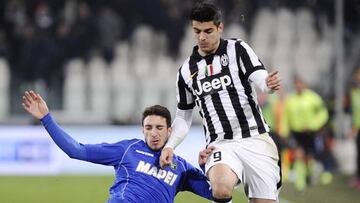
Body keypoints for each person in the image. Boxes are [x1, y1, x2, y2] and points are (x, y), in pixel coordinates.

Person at [160, 2, 282, 203]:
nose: (202, 37)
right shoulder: (185, 72)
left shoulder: (237, 49)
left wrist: (267, 84)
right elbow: (183, 117)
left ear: (220, 27)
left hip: (255, 139)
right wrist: (170, 146)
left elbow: (259, 76)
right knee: (221, 189)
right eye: (197, 31)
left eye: (208, 31)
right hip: (220, 144)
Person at [22, 90, 214, 203]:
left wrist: (207, 168)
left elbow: (216, 193)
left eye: (159, 128)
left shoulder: (181, 168)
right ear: (142, 130)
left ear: (169, 131)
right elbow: (76, 150)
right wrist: (46, 119)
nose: (153, 133)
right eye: (148, 127)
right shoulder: (127, 150)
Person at [284, 77, 329, 191]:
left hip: (310, 132)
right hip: (296, 132)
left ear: (304, 85)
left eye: (300, 84)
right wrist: (285, 130)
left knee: (309, 157)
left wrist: (313, 125)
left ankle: (311, 172)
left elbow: (323, 113)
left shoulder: (313, 98)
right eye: (296, 84)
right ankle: (300, 183)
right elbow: (286, 116)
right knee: (299, 155)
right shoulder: (290, 99)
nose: (298, 86)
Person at [350, 69, 360, 191]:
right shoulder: (354, 93)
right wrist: (353, 127)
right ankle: (358, 178)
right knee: (358, 154)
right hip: (358, 128)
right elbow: (355, 113)